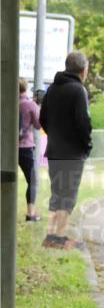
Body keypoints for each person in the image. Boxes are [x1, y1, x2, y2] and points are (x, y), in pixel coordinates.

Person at [39, 51, 92, 250]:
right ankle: (60, 238)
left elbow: (42, 118)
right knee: (68, 195)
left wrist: (54, 135)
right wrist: (86, 146)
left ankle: (51, 235)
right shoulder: (78, 90)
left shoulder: (53, 88)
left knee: (57, 193)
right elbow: (83, 123)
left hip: (54, 151)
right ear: (83, 69)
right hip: (72, 154)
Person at [18, 78, 41, 222]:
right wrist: (37, 107)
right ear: (26, 87)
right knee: (32, 180)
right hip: (25, 148)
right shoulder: (30, 104)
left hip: (6, 148)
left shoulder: (6, 101)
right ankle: (30, 213)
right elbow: (38, 125)